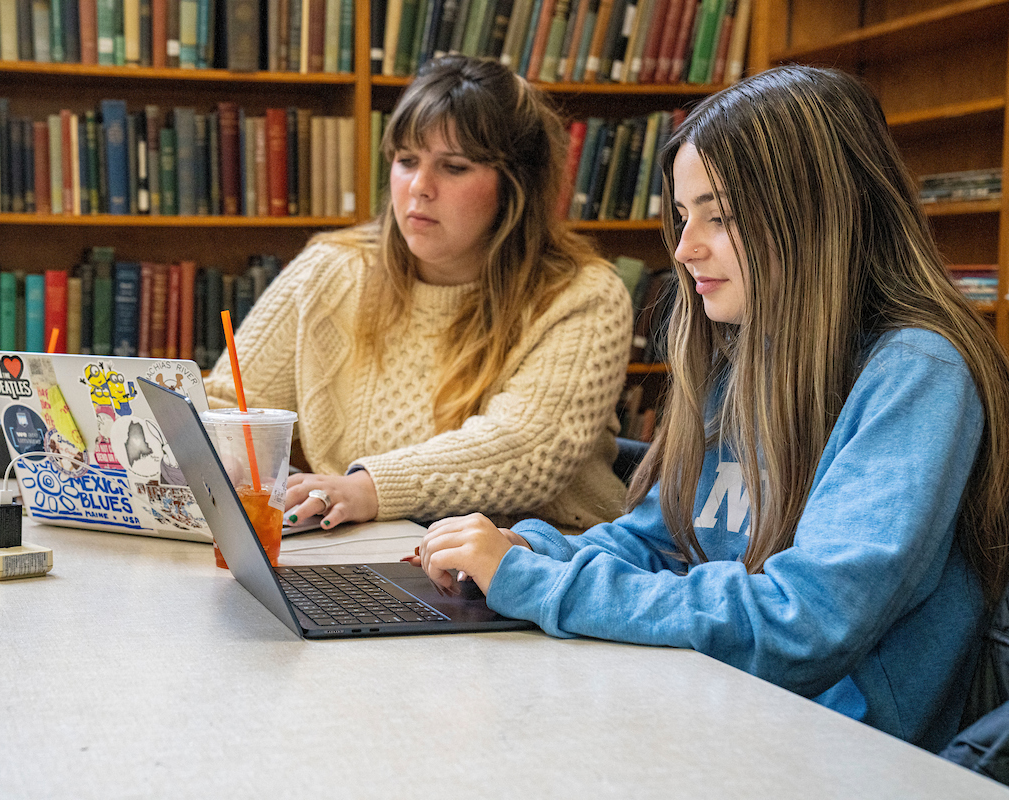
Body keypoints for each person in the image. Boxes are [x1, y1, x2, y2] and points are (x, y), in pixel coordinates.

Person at [415, 65, 1009, 752]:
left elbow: (806, 621)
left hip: (830, 749)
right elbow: (658, 541)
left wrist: (538, 582)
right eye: (683, 214)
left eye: (719, 217)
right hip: (716, 703)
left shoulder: (918, 373)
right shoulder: (747, 351)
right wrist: (530, 548)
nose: (684, 247)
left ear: (818, 214)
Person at [203, 55, 634, 531]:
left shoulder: (586, 295)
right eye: (407, 161)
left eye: (453, 167)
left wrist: (367, 489)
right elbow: (228, 406)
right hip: (369, 554)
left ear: (517, 187)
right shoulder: (332, 267)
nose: (419, 188)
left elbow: (529, 450)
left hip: (546, 569)